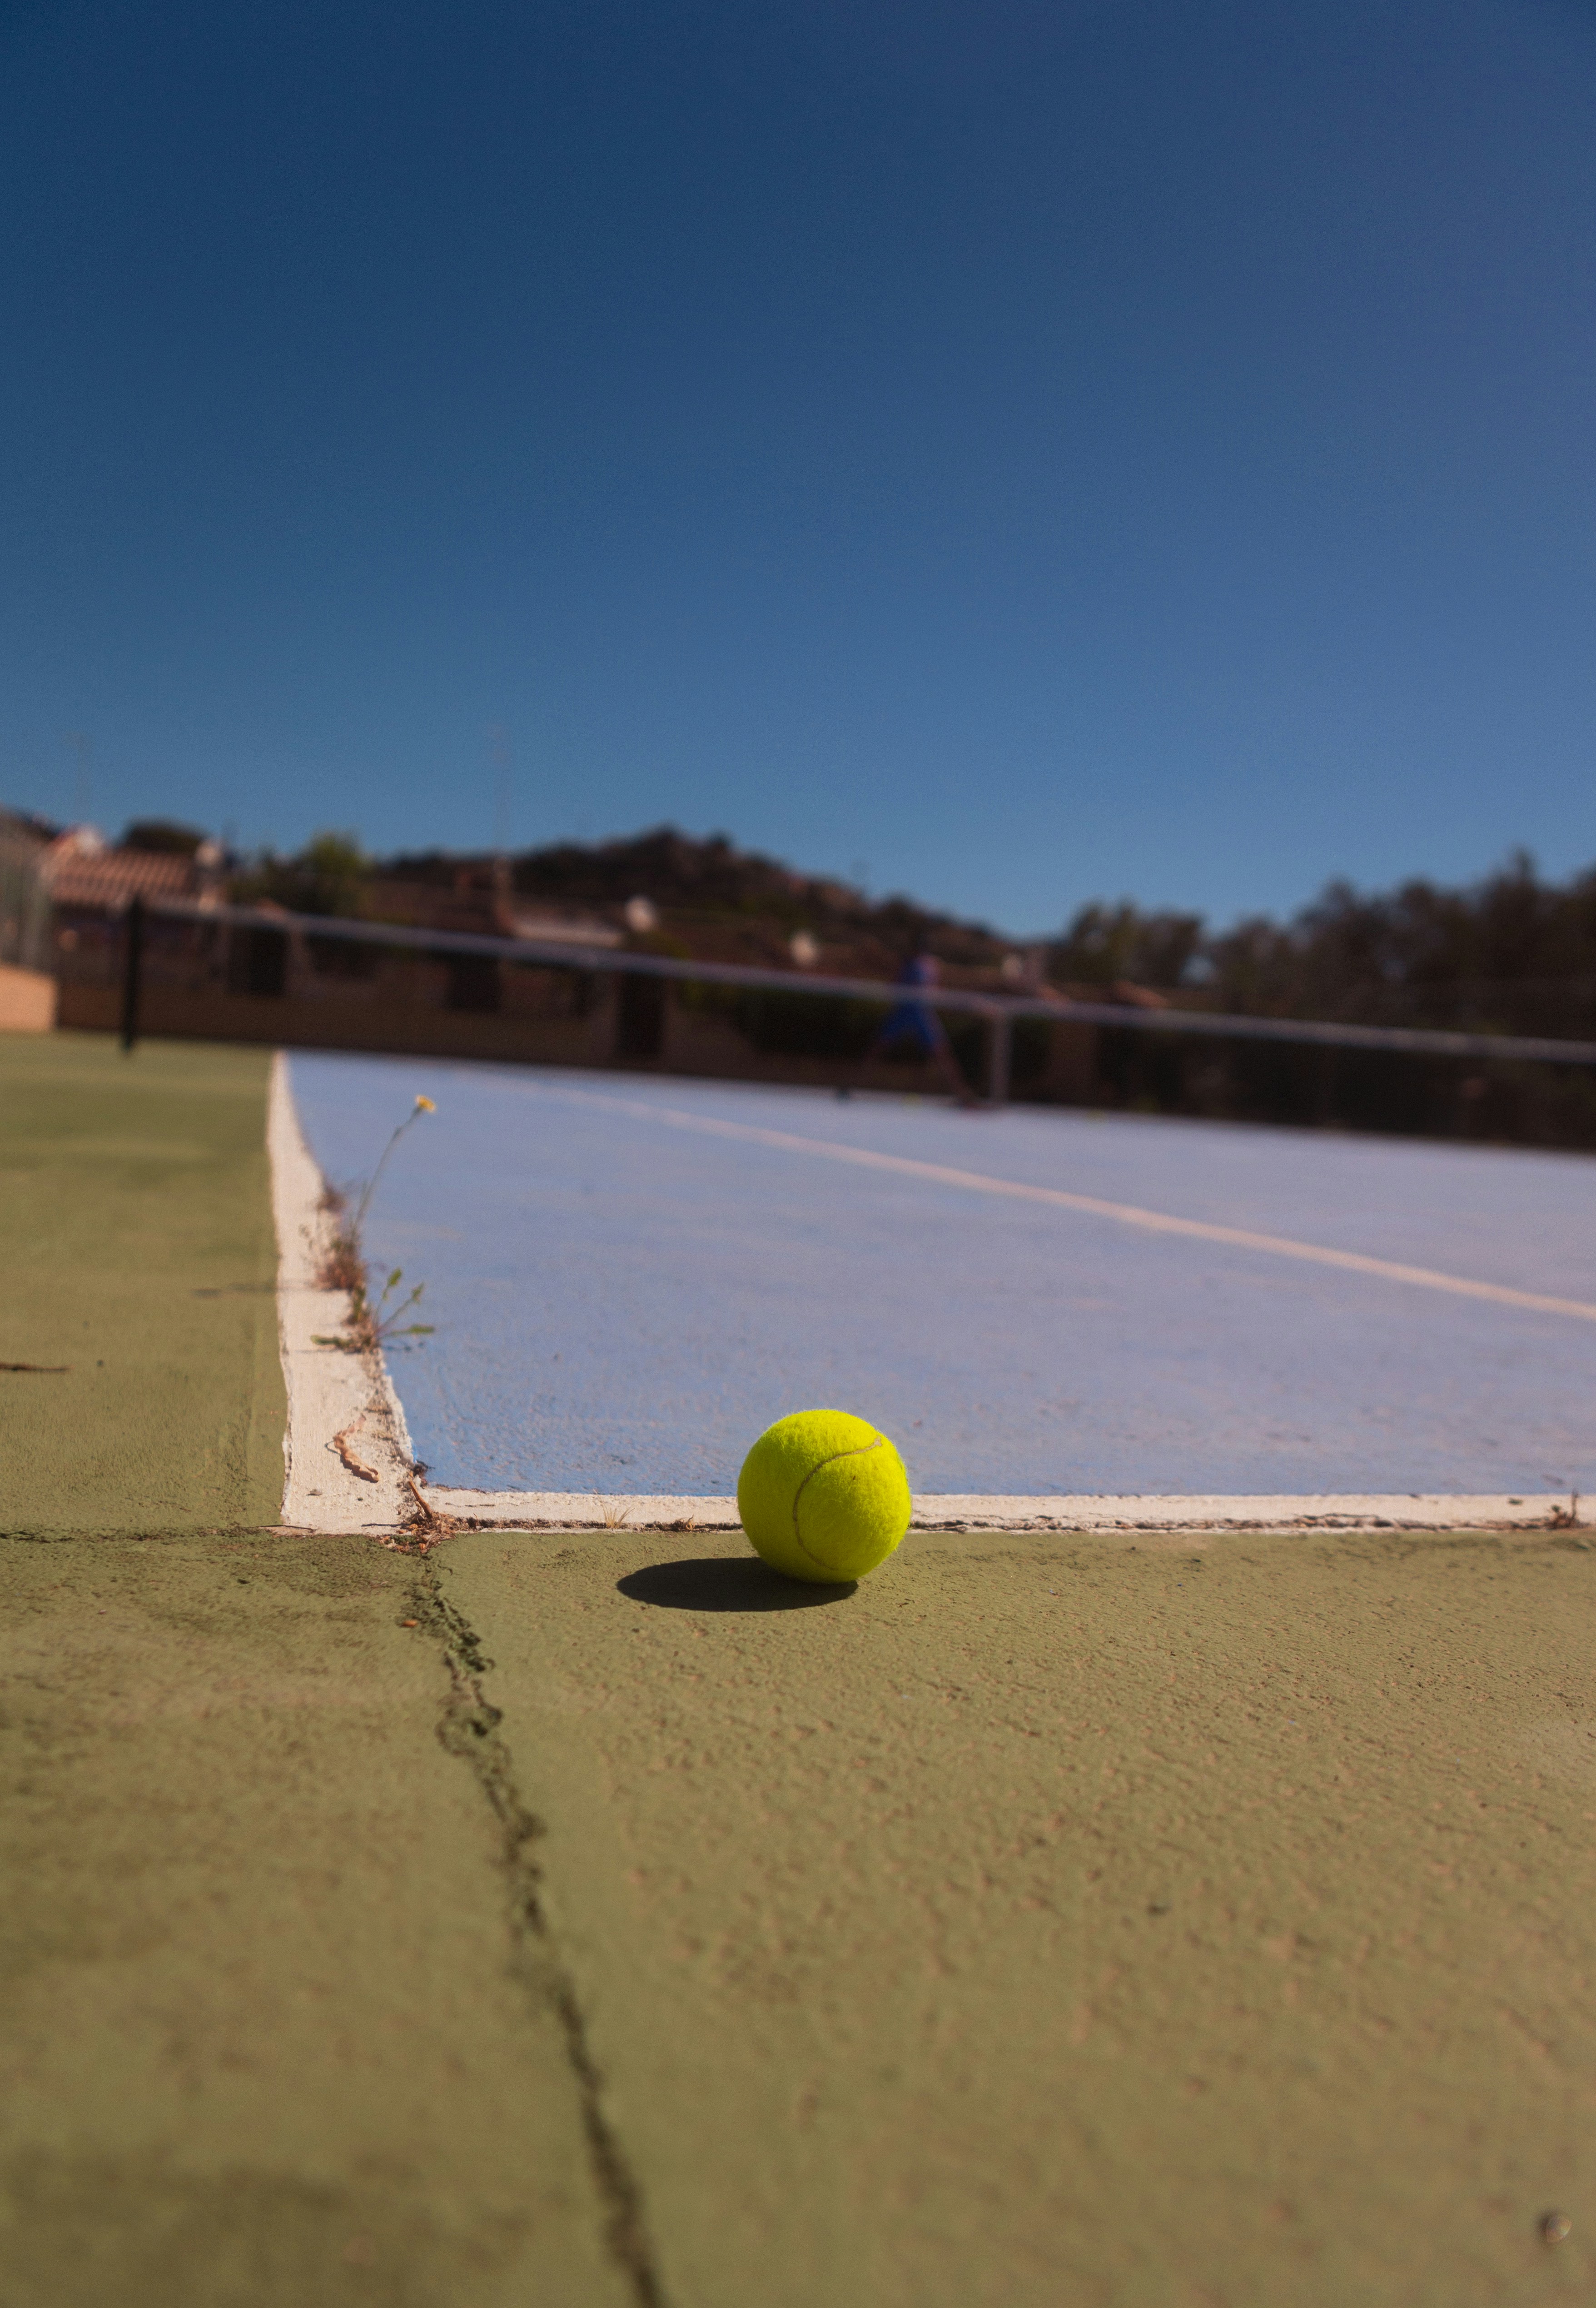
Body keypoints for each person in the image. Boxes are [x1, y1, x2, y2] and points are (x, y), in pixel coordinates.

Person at [865, 948, 979, 1104]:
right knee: (878, 1048)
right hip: (903, 1011)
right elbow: (895, 984)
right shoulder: (907, 964)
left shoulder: (929, 965)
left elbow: (933, 989)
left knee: (942, 1054)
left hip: (922, 1013)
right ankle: (850, 1085)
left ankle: (962, 1094)